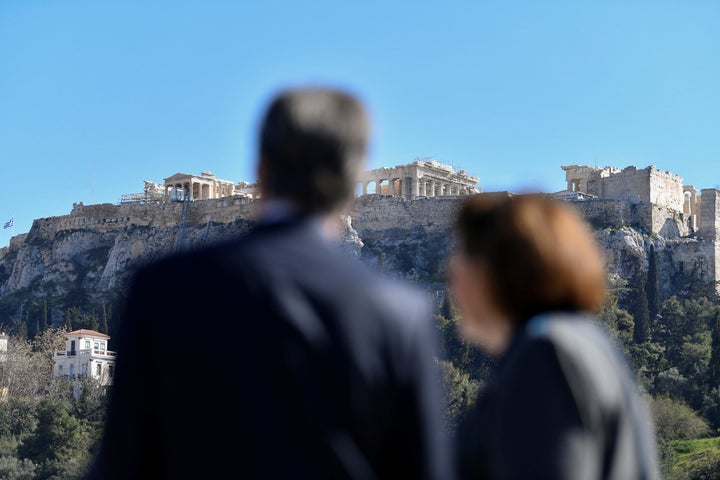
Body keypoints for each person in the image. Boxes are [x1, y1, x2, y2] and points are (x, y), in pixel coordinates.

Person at [88, 88, 451, 479]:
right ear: (352, 181)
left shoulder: (163, 288)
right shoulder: (399, 313)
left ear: (260, 169)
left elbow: (123, 462)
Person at [449, 193, 659, 480]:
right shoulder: (577, 341)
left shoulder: (546, 355)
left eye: (459, 262)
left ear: (500, 270)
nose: (452, 280)